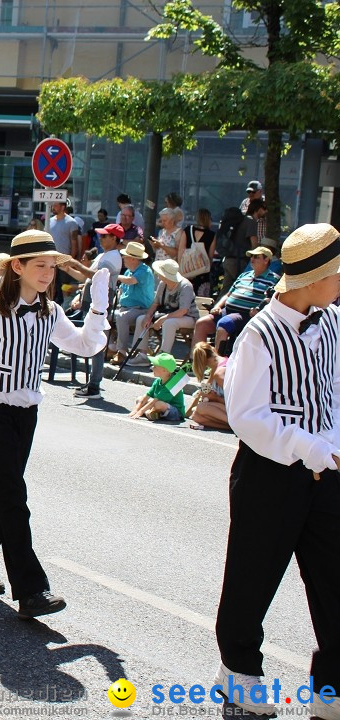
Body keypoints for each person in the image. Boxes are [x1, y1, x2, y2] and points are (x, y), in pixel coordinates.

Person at [0, 230, 110, 618]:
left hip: (27, 412)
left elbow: (86, 346)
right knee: (13, 498)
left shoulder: (50, 311)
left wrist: (99, 306)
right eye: (40, 266)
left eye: (52, 266)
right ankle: (31, 590)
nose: (49, 273)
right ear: (17, 267)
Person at [213, 223, 340, 720]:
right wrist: (309, 446)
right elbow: (248, 417)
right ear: (313, 279)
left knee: (334, 579)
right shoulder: (260, 334)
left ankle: (330, 687)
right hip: (270, 472)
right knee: (253, 574)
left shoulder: (331, 321)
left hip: (328, 471)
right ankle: (240, 674)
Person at [67, 223, 124, 399]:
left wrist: (74, 263)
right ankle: (92, 384)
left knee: (97, 343)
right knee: (93, 342)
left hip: (99, 302)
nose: (101, 238)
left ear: (114, 238)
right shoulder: (104, 255)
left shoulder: (113, 256)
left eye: (105, 236)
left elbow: (96, 277)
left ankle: (94, 386)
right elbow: (84, 277)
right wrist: (67, 268)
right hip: (93, 301)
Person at [193, 246, 280, 354]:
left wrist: (260, 311)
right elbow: (228, 295)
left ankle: (218, 363)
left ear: (266, 260)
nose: (252, 259)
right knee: (202, 323)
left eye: (256, 257)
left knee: (224, 324)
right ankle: (195, 361)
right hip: (227, 310)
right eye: (251, 256)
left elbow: (273, 301)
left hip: (245, 314)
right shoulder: (244, 276)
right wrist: (217, 306)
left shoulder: (274, 279)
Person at [126, 259, 200, 364]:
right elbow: (155, 303)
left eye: (159, 272)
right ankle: (142, 355)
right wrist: (148, 316)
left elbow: (183, 310)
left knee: (169, 323)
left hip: (189, 317)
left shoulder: (185, 286)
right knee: (141, 319)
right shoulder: (163, 284)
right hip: (168, 314)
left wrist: (162, 319)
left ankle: (163, 358)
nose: (157, 274)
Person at [111, 241, 155, 364]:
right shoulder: (128, 271)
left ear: (133, 259)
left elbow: (131, 281)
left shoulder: (144, 271)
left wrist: (114, 276)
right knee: (105, 315)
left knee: (121, 317)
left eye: (125, 257)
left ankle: (122, 352)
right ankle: (108, 347)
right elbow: (123, 290)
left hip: (141, 309)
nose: (123, 259)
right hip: (125, 307)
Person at [128, 352, 187, 421]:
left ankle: (150, 413)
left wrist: (140, 412)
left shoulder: (172, 384)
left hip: (176, 413)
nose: (152, 368)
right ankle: (152, 413)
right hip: (160, 406)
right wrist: (135, 410)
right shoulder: (158, 381)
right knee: (139, 399)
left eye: (155, 366)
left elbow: (154, 402)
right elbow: (146, 396)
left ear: (164, 370)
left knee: (158, 404)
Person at [185, 341, 229, 431]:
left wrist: (216, 398)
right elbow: (204, 390)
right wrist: (187, 413)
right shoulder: (215, 367)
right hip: (227, 409)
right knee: (196, 416)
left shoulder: (219, 373)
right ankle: (231, 427)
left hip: (236, 410)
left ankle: (238, 427)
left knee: (201, 408)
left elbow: (236, 402)